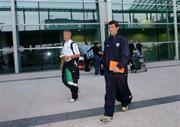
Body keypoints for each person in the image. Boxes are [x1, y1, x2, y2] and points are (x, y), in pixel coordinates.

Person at [100, 20, 132, 122]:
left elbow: (126, 55)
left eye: (112, 27)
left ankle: (125, 102)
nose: (110, 29)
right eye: (109, 27)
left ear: (117, 27)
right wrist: (102, 63)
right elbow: (105, 55)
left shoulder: (122, 40)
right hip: (109, 71)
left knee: (122, 88)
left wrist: (119, 66)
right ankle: (108, 114)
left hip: (120, 70)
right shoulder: (107, 41)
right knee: (109, 91)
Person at [60, 30, 80, 103]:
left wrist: (69, 57)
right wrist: (62, 64)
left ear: (69, 35)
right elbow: (63, 55)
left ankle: (74, 96)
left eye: (65, 34)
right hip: (66, 64)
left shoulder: (73, 44)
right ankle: (76, 88)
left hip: (72, 63)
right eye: (63, 34)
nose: (64, 36)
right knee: (65, 80)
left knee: (73, 81)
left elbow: (78, 54)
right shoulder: (64, 44)